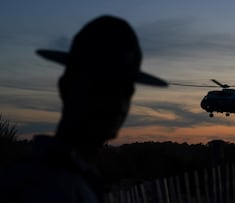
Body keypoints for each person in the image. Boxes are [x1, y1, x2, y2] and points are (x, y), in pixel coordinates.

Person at [0, 15, 168, 203]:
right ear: (66, 86)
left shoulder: (76, 181)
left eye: (125, 90)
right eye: (102, 85)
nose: (118, 101)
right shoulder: (39, 190)